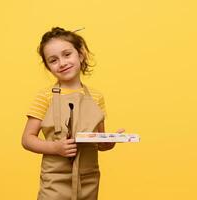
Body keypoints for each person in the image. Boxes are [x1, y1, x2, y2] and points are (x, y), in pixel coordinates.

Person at [21, 27, 125, 200]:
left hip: (87, 179)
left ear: (81, 54)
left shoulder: (97, 97)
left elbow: (99, 140)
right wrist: (55, 147)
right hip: (55, 180)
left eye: (67, 54)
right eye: (53, 60)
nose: (62, 63)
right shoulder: (44, 96)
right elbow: (27, 139)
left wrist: (109, 142)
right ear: (48, 67)